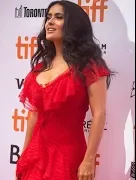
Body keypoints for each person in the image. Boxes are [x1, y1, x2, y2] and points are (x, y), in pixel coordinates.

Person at [15, 1, 115, 180]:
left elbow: (99, 113)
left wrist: (89, 160)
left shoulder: (89, 66)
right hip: (36, 154)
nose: (50, 22)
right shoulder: (39, 67)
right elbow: (34, 116)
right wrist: (24, 154)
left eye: (58, 17)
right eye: (49, 17)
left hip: (68, 155)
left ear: (73, 25)